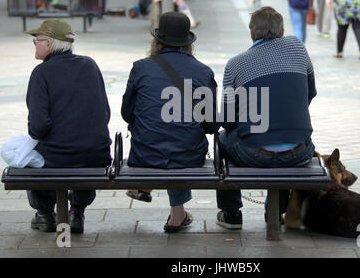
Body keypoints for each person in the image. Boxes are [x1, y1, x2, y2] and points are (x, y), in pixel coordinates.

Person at [216, 6, 317, 229]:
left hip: (254, 154)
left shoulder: (234, 64)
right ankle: (277, 212)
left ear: (251, 32)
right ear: (281, 31)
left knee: (221, 140)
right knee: (286, 135)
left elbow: (228, 121)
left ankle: (232, 213)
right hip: (299, 152)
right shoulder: (298, 48)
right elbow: (310, 93)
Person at [121, 12, 218, 233]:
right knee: (179, 138)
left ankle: (144, 186)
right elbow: (212, 125)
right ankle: (177, 215)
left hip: (145, 153)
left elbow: (127, 114)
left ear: (157, 41)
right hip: (188, 155)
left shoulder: (141, 67)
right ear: (188, 43)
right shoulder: (203, 72)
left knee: (161, 133)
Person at [25, 20, 112, 233]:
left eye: (37, 41)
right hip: (94, 154)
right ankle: (77, 212)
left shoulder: (41, 73)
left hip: (56, 157)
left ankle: (45, 214)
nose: (35, 45)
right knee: (87, 152)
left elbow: (38, 126)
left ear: (48, 43)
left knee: (29, 158)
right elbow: (106, 113)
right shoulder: (90, 65)